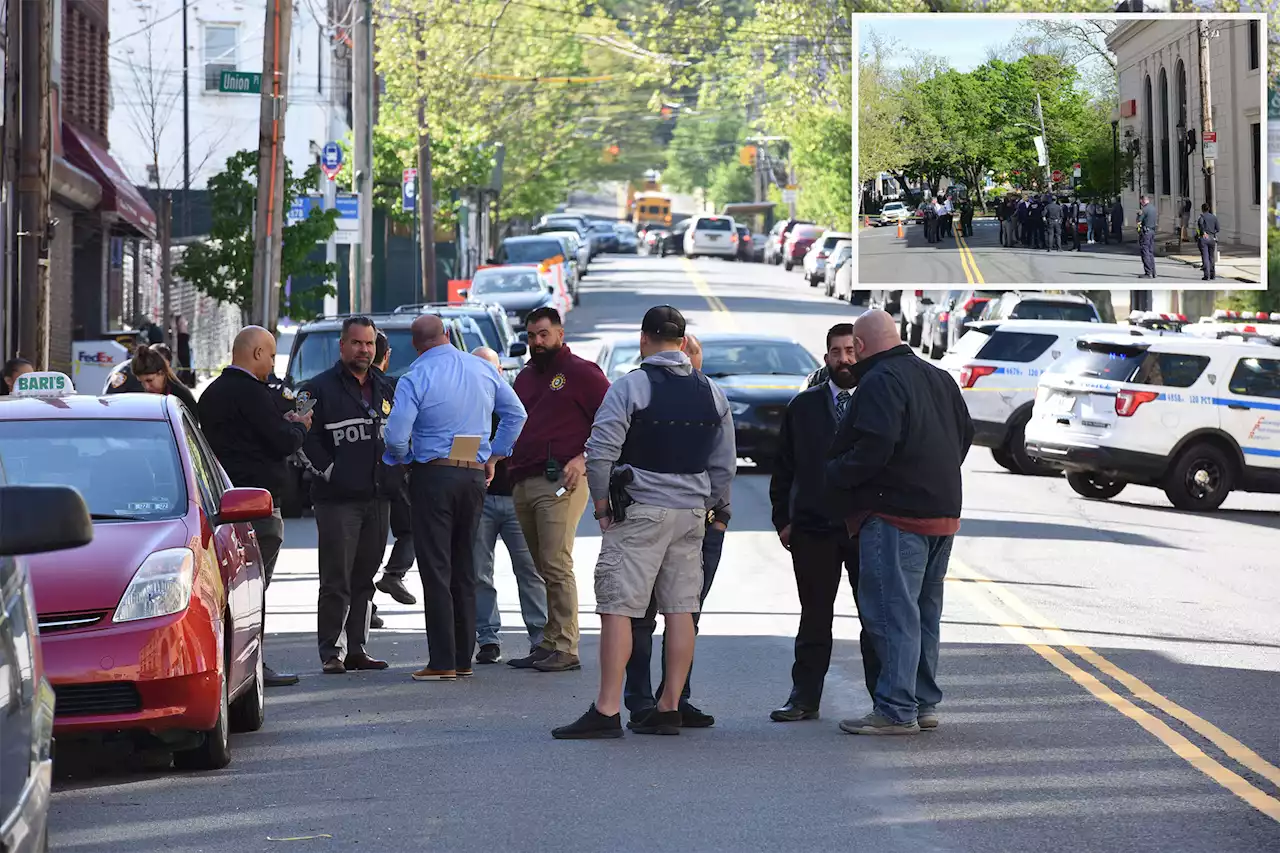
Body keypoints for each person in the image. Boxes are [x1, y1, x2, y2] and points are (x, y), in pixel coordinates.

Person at [552, 306, 734, 739]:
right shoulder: (711, 391)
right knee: (681, 609)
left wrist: (601, 507)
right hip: (691, 514)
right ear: (683, 341)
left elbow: (600, 452)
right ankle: (670, 706)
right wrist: (711, 507)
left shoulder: (631, 386)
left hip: (640, 512)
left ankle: (608, 709)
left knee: (618, 607)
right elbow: (724, 465)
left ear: (644, 338)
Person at [825, 310, 973, 736]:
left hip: (896, 515)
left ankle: (894, 708)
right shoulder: (939, 377)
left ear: (863, 347)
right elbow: (964, 435)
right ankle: (922, 703)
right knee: (924, 614)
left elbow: (875, 447)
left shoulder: (879, 380)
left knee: (892, 614)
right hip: (942, 512)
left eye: (854, 348)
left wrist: (835, 473)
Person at [383, 314, 527, 681]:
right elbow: (516, 414)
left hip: (434, 473)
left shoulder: (415, 376)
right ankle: (464, 657)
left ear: (415, 345)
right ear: (447, 335)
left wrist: (404, 459)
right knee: (465, 564)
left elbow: (397, 435)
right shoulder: (482, 369)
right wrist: (495, 454)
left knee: (436, 567)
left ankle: (443, 660)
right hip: (474, 475)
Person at [769, 323, 881, 724]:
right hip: (814, 529)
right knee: (814, 616)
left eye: (851, 351)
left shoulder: (877, 401)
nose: (844, 360)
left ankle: (885, 700)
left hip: (866, 527)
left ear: (862, 352)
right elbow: (783, 468)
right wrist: (783, 520)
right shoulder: (804, 406)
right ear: (826, 357)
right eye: (836, 352)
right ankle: (804, 698)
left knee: (874, 617)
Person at [623, 333, 728, 729]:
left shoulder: (710, 397)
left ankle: (675, 698)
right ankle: (641, 700)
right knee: (643, 615)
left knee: (685, 612)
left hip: (700, 521)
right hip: (664, 517)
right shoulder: (646, 390)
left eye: (692, 361)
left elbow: (723, 463)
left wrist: (719, 517)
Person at [199, 326, 313, 687]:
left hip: (222, 502)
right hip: (258, 505)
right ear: (258, 354)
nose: (273, 364)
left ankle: (232, 666)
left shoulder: (211, 394)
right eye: (272, 354)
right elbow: (278, 441)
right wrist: (300, 427)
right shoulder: (252, 393)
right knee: (254, 591)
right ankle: (252, 668)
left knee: (230, 593)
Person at [506, 307, 610, 673]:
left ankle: (566, 645)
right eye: (531, 336)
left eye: (543, 334)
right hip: (523, 479)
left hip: (561, 482)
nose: (537, 342)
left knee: (555, 562)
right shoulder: (526, 377)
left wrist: (584, 458)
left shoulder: (582, 373)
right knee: (541, 565)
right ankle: (549, 642)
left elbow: (613, 421)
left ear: (560, 334)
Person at [296, 317, 396, 674]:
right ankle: (331, 652)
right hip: (336, 501)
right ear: (342, 346)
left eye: (369, 344)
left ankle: (357, 648)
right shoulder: (316, 389)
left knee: (365, 577)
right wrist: (332, 473)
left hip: (378, 498)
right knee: (336, 578)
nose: (363, 350)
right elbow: (302, 440)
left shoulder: (386, 388)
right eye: (356, 343)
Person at [470, 346, 548, 665]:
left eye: (492, 370)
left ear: (502, 372)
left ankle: (541, 637)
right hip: (481, 501)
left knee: (530, 570)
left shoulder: (516, 404)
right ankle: (488, 638)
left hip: (517, 499)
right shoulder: (467, 406)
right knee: (478, 572)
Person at [369, 333, 413, 631]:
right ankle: (393, 574)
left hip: (372, 478)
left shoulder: (387, 388)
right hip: (391, 476)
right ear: (387, 356)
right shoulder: (392, 388)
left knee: (367, 549)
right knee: (410, 529)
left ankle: (370, 602)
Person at [106, 344, 200, 420]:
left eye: (149, 380)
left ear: (162, 373)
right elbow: (109, 407)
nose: (146, 387)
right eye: (141, 382)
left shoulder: (181, 397)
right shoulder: (126, 376)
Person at [1196, 203, 1220, 281]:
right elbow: (1218, 229)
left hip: (1204, 238)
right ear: (1209, 209)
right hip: (1212, 238)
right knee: (1211, 257)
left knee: (1205, 257)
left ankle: (1207, 275)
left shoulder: (1201, 217)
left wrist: (1203, 233)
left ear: (1202, 209)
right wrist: (1213, 233)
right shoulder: (1214, 217)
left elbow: (1200, 226)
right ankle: (1213, 274)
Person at [1137, 194, 1157, 279]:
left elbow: (1138, 222)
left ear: (1143, 200)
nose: (1140, 203)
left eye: (1141, 201)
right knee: (1150, 252)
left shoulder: (1144, 210)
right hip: (1152, 231)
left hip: (1145, 232)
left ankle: (1148, 272)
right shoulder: (1153, 208)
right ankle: (1153, 272)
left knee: (1145, 252)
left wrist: (1138, 215)